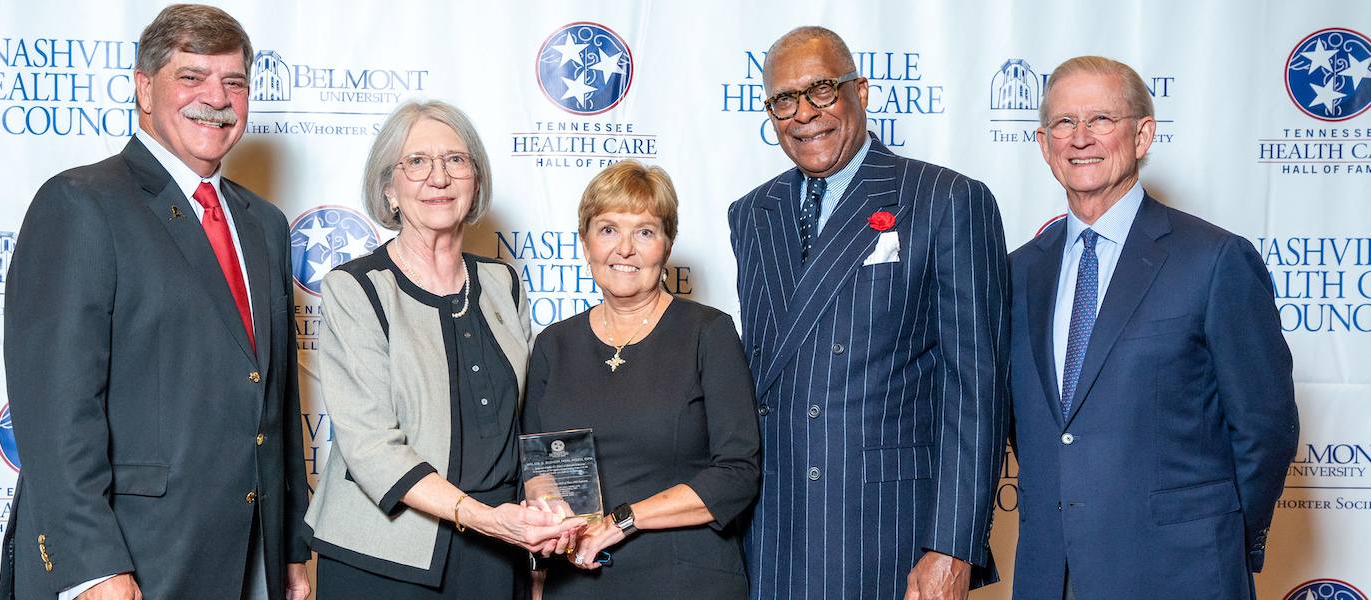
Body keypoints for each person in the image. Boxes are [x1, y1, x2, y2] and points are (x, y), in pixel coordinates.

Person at [0, 5, 310, 599]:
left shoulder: (264, 225)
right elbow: (54, 411)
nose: (216, 98)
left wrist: (290, 547)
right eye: (191, 78)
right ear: (145, 88)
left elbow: (275, 399)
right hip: (128, 562)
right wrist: (92, 567)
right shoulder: (80, 203)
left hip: (247, 560)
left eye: (234, 82)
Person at [727, 26, 1011, 600]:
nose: (804, 113)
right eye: (784, 99)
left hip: (889, 531)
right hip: (770, 532)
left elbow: (977, 392)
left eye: (822, 90)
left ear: (860, 90)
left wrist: (953, 547)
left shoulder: (947, 199)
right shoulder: (752, 214)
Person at [1007, 56, 1299, 600]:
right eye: (1063, 124)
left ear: (1142, 135)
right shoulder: (1017, 273)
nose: (1080, 138)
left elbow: (1266, 427)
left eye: (1100, 119)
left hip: (1183, 576)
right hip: (1053, 577)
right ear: (1044, 145)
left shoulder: (1215, 261)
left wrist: (1219, 540)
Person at [303, 99, 581, 599]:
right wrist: (486, 520)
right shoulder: (356, 288)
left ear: (475, 181)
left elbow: (529, 417)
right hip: (386, 555)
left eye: (456, 160)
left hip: (498, 554)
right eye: (417, 162)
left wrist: (541, 508)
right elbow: (370, 447)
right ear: (389, 189)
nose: (439, 178)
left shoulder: (502, 282)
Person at [523, 160, 761, 598]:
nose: (625, 249)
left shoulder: (708, 333)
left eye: (645, 231)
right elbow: (539, 466)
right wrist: (548, 512)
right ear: (585, 241)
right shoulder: (553, 345)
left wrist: (621, 521)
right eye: (608, 229)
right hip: (576, 579)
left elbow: (738, 472)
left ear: (666, 246)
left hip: (683, 577)